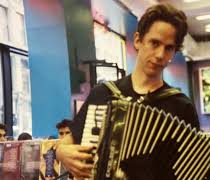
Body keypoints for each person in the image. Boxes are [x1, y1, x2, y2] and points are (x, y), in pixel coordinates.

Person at [56, 4, 199, 179]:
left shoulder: (181, 106)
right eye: (155, 43)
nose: (161, 54)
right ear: (138, 40)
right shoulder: (103, 93)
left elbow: (193, 170)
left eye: (169, 48)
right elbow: (66, 143)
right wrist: (62, 153)